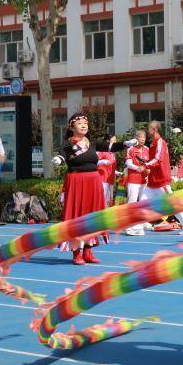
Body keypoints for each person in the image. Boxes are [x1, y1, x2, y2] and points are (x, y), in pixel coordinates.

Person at [53, 113, 134, 264]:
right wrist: (59, 158)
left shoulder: (93, 143)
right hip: (77, 182)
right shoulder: (68, 146)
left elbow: (111, 147)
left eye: (85, 123)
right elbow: (63, 154)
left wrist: (126, 144)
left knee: (93, 216)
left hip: (94, 182)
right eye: (80, 123)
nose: (84, 125)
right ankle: (77, 252)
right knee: (78, 217)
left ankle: (88, 251)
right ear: (71, 127)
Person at [140, 120, 183, 235]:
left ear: (153, 130)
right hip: (153, 182)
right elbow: (154, 160)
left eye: (149, 128)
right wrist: (146, 163)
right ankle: (139, 225)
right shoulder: (154, 143)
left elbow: (158, 159)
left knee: (173, 205)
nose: (147, 131)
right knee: (141, 202)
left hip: (161, 182)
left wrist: (146, 165)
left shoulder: (160, 142)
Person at [125, 130, 150, 236]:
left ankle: (142, 223)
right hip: (133, 179)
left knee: (143, 202)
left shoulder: (147, 149)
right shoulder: (130, 149)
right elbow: (128, 163)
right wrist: (137, 168)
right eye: (140, 137)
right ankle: (129, 226)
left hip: (144, 180)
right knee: (132, 202)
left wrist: (148, 170)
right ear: (136, 139)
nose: (142, 139)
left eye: (144, 138)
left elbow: (149, 163)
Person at [97, 134, 118, 207]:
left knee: (109, 200)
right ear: (107, 141)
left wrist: (117, 172)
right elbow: (93, 162)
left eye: (116, 140)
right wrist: (102, 161)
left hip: (111, 180)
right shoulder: (102, 151)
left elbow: (111, 167)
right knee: (103, 199)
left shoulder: (112, 153)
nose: (115, 142)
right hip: (103, 179)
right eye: (114, 140)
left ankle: (106, 215)